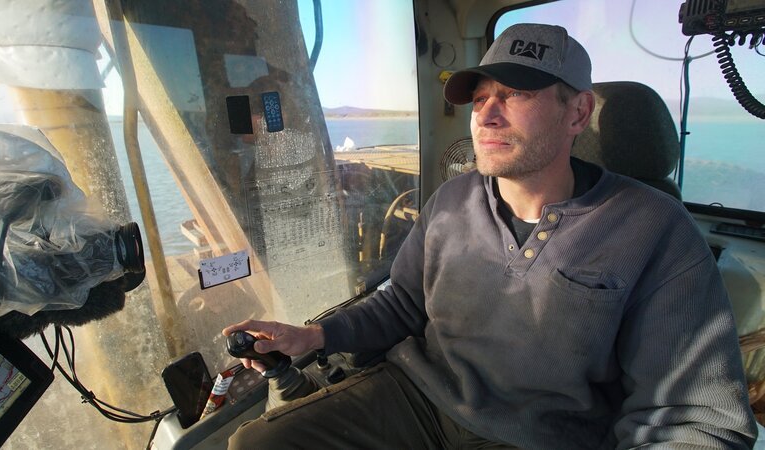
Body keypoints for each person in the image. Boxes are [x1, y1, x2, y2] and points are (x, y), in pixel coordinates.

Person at [223, 23, 758, 449]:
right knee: (256, 443)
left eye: (514, 93)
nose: (486, 116)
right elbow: (403, 304)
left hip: (540, 437)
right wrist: (311, 337)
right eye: (479, 100)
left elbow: (696, 416)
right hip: (419, 398)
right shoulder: (452, 201)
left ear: (578, 112)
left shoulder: (653, 229)